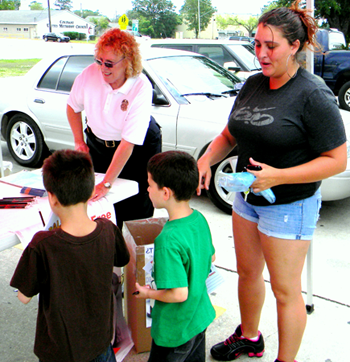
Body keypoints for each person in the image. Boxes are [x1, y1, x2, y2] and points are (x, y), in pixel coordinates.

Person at [197, 1, 347, 362]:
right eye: (257, 44)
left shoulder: (313, 94)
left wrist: (278, 176)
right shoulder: (253, 84)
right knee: (248, 274)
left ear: (294, 46)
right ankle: (250, 337)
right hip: (247, 197)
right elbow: (231, 133)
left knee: (284, 290)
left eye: (271, 46)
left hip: (290, 205)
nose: (261, 54)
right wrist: (206, 159)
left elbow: (337, 160)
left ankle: (286, 359)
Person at [10, 149, 130, 362]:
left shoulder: (42, 244)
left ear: (52, 199)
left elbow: (24, 296)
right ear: (91, 191)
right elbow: (122, 259)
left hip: (60, 351)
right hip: (101, 343)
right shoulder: (108, 229)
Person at [67, 28, 161, 230]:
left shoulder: (141, 86)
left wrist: (107, 183)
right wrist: (79, 142)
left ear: (128, 61)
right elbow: (72, 107)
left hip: (138, 148)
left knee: (136, 202)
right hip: (98, 142)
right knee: (101, 204)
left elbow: (128, 142)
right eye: (99, 61)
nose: (103, 68)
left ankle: (136, 255)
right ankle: (108, 248)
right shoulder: (89, 74)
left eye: (109, 63)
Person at [134, 151, 216, 362]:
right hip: (199, 317)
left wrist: (147, 293)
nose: (148, 189)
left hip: (175, 329)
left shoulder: (167, 240)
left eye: (150, 184)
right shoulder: (199, 219)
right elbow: (211, 258)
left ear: (166, 193)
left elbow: (179, 294)